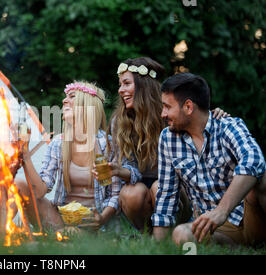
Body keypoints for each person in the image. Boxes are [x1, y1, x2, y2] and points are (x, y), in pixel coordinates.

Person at [94, 57, 229, 232]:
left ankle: (171, 231)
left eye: (126, 83)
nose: (121, 90)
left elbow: (198, 123)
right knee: (130, 193)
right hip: (140, 186)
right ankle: (149, 237)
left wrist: (215, 116)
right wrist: (120, 171)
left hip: (177, 188)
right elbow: (131, 168)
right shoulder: (120, 122)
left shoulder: (171, 116)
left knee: (160, 188)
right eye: (120, 84)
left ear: (144, 86)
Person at [152, 72, 266, 246]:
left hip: (252, 219)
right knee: (182, 234)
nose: (162, 114)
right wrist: (156, 247)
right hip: (212, 229)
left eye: (167, 107)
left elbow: (254, 159)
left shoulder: (228, 126)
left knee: (263, 178)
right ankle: (236, 248)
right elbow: (166, 195)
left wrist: (221, 211)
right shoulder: (168, 138)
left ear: (188, 107)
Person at [14, 81, 119, 232]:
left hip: (94, 220)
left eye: (72, 96)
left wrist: (101, 219)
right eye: (65, 97)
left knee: (80, 232)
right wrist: (26, 157)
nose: (64, 100)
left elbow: (115, 195)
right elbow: (40, 191)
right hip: (61, 218)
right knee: (19, 184)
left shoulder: (107, 144)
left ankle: (76, 235)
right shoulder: (58, 143)